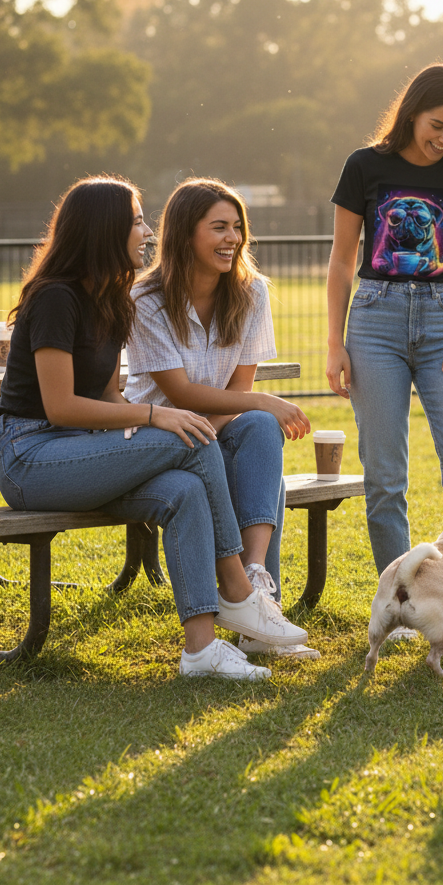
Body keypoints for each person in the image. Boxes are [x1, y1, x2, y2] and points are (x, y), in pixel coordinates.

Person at [0, 175, 308, 681]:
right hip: (30, 456)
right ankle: (239, 590)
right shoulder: (55, 297)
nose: (146, 230)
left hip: (81, 451)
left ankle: (201, 651)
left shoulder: (112, 299)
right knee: (190, 436)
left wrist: (137, 434)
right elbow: (59, 407)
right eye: (136, 220)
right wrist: (153, 416)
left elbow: (108, 395)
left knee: (183, 486)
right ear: (103, 230)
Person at [325, 62, 443, 636]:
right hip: (374, 322)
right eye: (437, 125)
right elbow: (342, 261)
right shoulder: (365, 165)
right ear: (412, 112)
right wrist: (335, 341)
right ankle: (400, 604)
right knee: (384, 480)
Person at [125, 177, 318, 660]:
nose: (232, 238)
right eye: (218, 228)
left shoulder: (252, 294)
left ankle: (251, 585)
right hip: (161, 438)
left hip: (215, 429)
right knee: (262, 435)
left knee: (258, 429)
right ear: (185, 235)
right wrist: (264, 402)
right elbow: (180, 394)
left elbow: (238, 394)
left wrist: (257, 406)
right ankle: (258, 609)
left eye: (237, 227)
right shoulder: (145, 301)